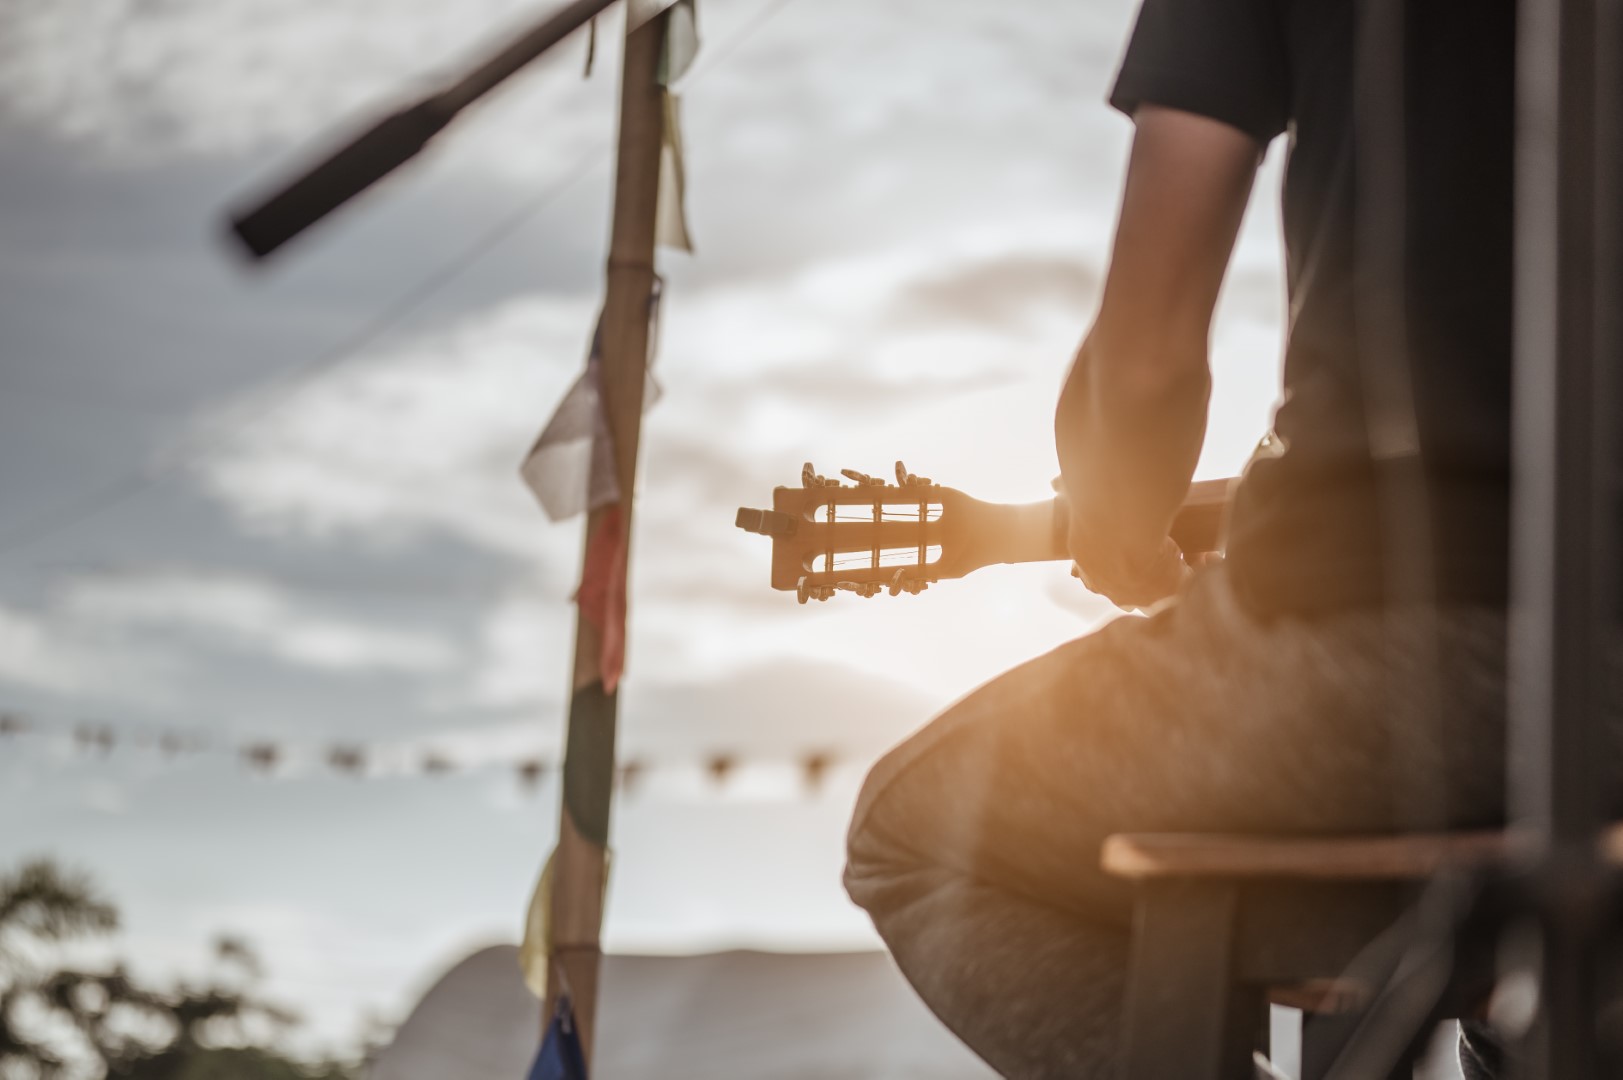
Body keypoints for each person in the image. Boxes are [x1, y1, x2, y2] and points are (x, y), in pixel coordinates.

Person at [841, 1, 1542, 1077]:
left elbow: (1147, 365)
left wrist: (1119, 517)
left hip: (1414, 650)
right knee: (1532, 950)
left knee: (919, 838)